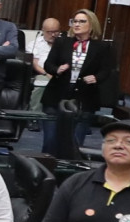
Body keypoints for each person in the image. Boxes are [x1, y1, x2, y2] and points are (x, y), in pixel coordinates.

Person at [39, 9, 119, 159]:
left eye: (82, 21)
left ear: (92, 24)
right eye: (75, 21)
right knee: (50, 142)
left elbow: (107, 70)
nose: (77, 24)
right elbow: (48, 64)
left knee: (74, 143)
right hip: (56, 96)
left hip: (84, 98)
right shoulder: (62, 42)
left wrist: (96, 77)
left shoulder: (102, 47)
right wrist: (57, 69)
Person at [27, 15, 63, 111]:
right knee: (41, 84)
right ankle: (34, 117)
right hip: (43, 73)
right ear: (43, 30)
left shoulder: (65, 43)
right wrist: (47, 73)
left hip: (62, 74)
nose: (53, 35)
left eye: (56, 32)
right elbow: (35, 64)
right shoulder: (35, 44)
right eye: (49, 32)